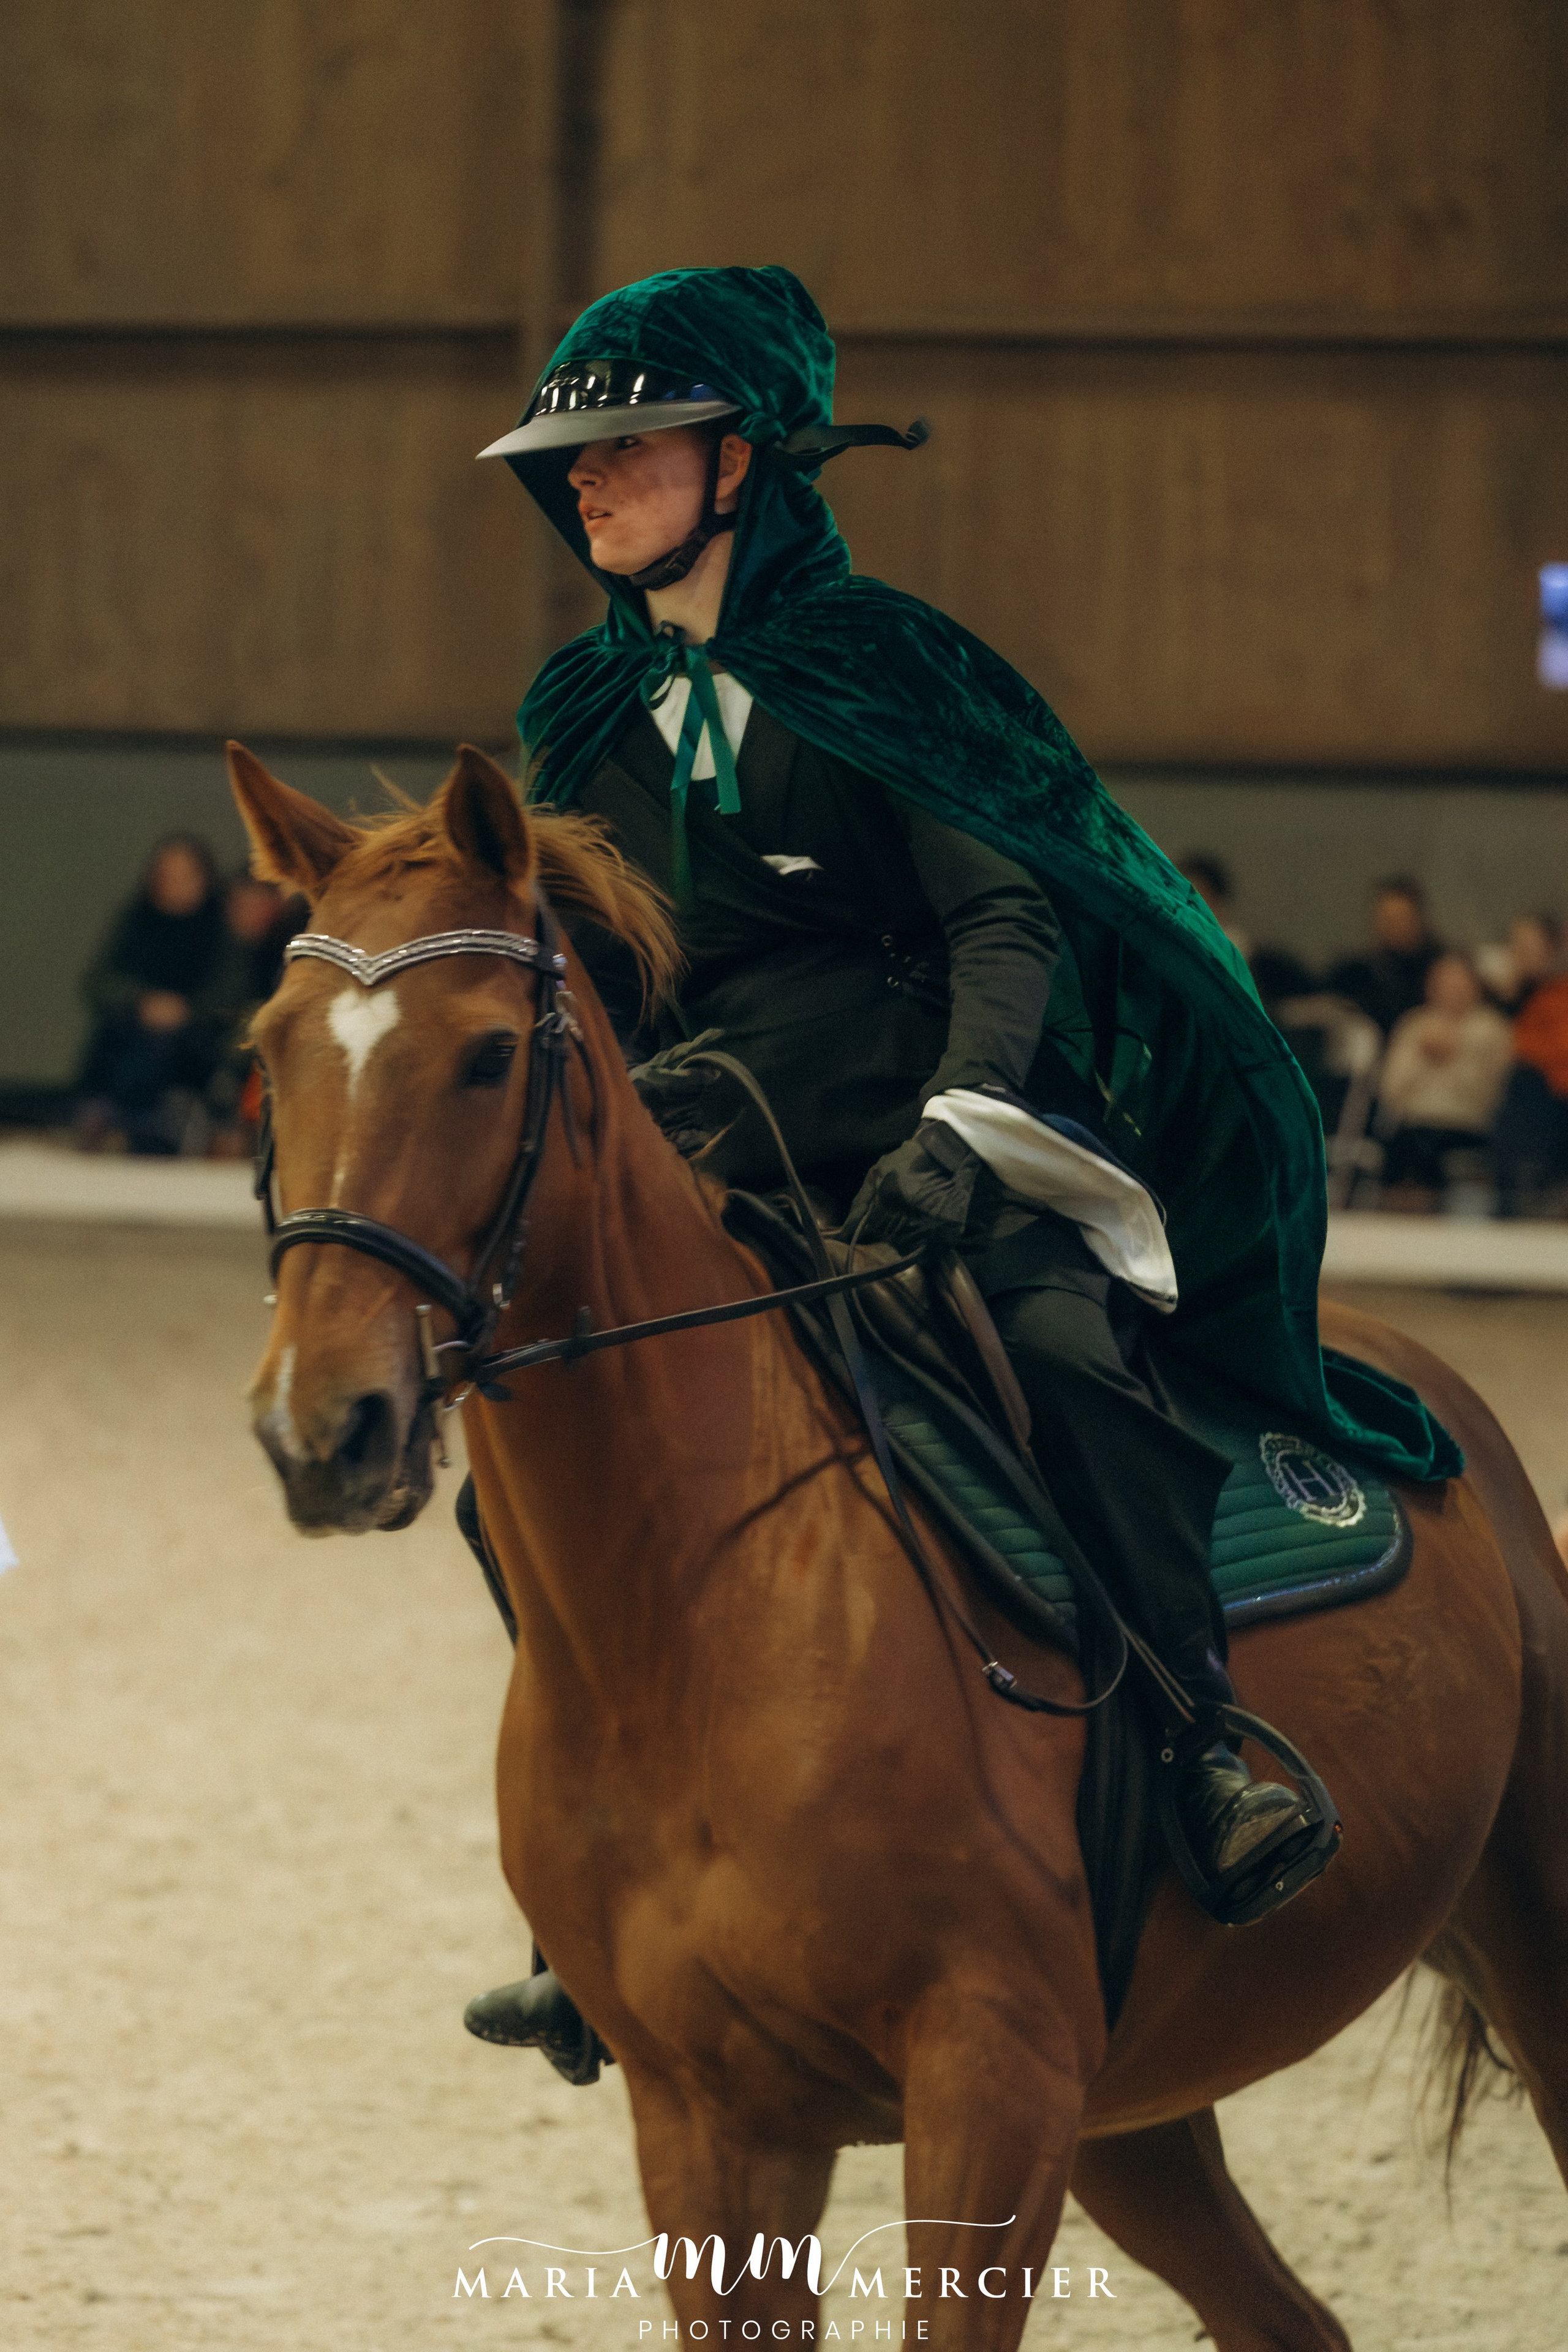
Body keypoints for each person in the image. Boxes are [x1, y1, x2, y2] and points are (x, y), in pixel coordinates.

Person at [462, 266, 1458, 2065]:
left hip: (943, 1106)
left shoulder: (890, 666)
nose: (583, 480)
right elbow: (600, 973)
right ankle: (594, 1869)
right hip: (722, 1138)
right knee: (532, 1436)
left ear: (741, 459)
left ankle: (1202, 1737)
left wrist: (962, 1127)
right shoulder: (583, 706)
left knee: (1060, 1353)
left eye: (626, 448)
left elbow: (1005, 917)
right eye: (571, 461)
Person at [75, 834, 249, 1155]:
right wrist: (140, 1002)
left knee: (159, 1049)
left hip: (197, 1043)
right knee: (126, 1043)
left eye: (185, 877)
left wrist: (186, 1010)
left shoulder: (222, 931)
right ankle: (118, 1122)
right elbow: (99, 982)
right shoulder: (136, 923)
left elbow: (232, 995)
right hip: (131, 1032)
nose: (175, 886)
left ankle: (139, 1126)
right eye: (167, 876)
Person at [1374, 952, 1512, 1206]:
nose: (1452, 990)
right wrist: (1424, 1058)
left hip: (1466, 1127)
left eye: (1459, 983)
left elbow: (1491, 1094)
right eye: (1444, 982)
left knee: (1432, 1152)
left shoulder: (1492, 1029)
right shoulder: (1413, 1024)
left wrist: (1454, 1058)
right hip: (1414, 1126)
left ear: (1476, 987)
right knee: (1404, 1148)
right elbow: (1391, 1090)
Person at [1493, 966, 1568, 1216]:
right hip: (1550, 1092)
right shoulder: (1550, 996)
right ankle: (1523, 1195)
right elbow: (1523, 1043)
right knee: (1525, 1084)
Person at [1325, 877, 1442, 1036]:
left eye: (1400, 917)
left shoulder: (1441, 970)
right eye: (1386, 917)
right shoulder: (1358, 973)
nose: (1392, 925)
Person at [1475, 912, 1561, 1017]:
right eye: (1517, 942)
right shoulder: (1489, 981)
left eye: (1529, 945)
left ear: (1549, 949)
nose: (1520, 951)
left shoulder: (1554, 989)